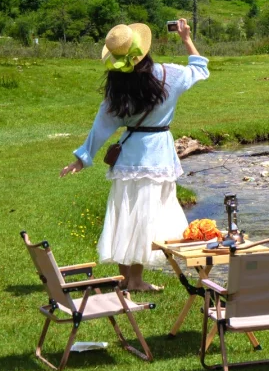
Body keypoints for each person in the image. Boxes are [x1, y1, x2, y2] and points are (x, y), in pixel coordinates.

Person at [61, 19, 209, 292]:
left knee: (125, 214)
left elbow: (101, 127)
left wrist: (82, 159)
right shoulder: (169, 75)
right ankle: (136, 281)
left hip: (128, 157)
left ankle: (128, 279)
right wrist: (186, 39)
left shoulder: (117, 89)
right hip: (157, 154)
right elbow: (200, 69)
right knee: (146, 216)